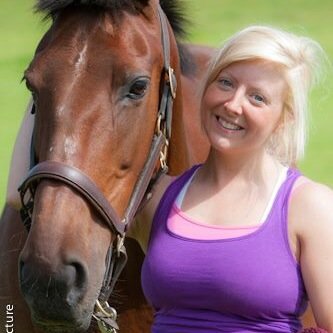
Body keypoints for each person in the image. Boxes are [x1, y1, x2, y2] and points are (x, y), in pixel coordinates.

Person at [5, 25, 333, 332]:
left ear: (284, 119)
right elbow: (21, 197)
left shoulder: (309, 206)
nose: (233, 105)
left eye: (257, 97)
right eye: (226, 83)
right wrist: (50, 86)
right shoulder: (161, 200)